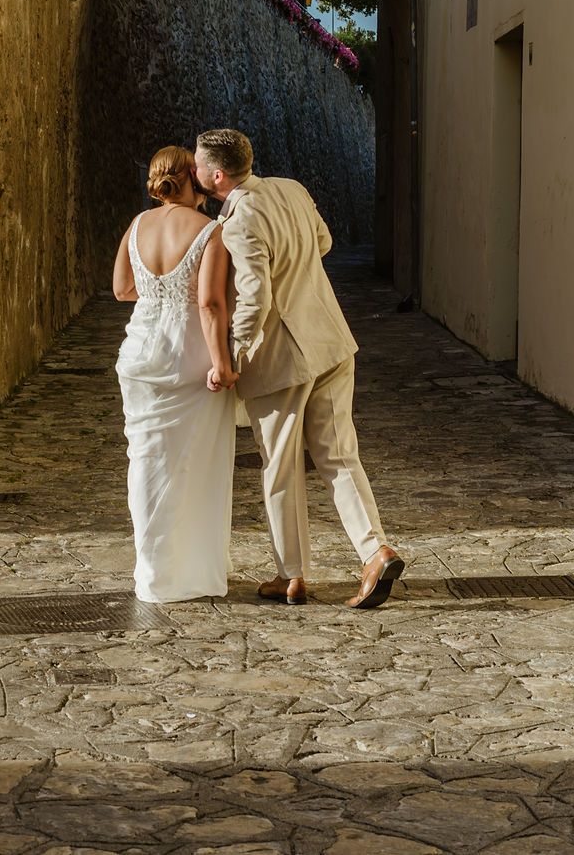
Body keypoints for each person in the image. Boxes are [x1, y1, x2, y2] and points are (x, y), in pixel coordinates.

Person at [193, 128, 403, 610]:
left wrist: (234, 359)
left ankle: (291, 575)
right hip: (330, 339)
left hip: (281, 359)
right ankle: (374, 550)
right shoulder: (292, 188)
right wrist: (294, 258)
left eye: (199, 165)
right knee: (340, 457)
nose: (194, 170)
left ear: (217, 176)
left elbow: (256, 297)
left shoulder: (239, 220)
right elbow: (324, 241)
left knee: (281, 466)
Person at [111, 145, 238, 602]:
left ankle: (154, 571)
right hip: (190, 358)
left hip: (141, 354)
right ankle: (194, 569)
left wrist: (156, 290)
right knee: (196, 462)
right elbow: (210, 304)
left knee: (145, 459)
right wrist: (223, 364)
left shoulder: (137, 225)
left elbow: (122, 288)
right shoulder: (211, 232)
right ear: (191, 175)